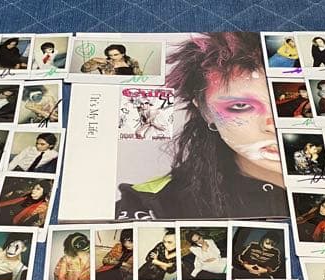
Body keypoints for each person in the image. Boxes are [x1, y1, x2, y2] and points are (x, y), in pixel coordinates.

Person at [116, 33, 288, 219]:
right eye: (240, 106)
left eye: (287, 100)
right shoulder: (154, 206)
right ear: (206, 112)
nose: (275, 126)